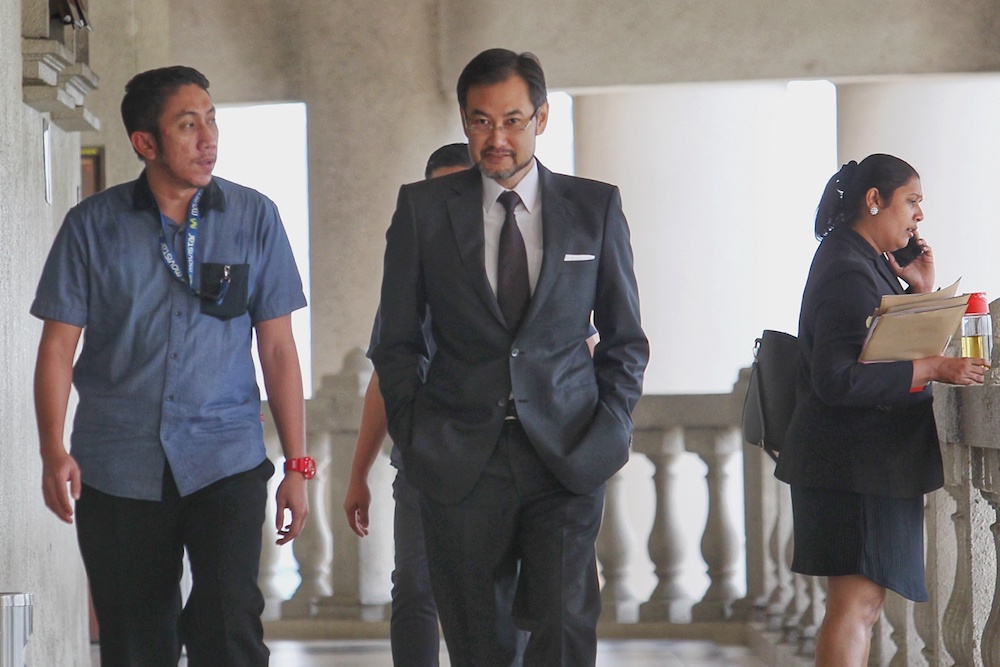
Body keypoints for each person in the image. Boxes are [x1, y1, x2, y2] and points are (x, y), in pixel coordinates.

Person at [373, 48, 649, 667]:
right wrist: (416, 435)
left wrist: (609, 429)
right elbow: (395, 341)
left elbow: (625, 338)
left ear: (542, 118)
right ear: (465, 121)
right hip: (458, 459)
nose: (495, 138)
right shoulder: (421, 211)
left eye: (513, 120)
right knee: (479, 643)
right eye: (480, 121)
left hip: (567, 455)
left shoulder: (594, 207)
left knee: (563, 628)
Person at [32, 65, 311, 666]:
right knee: (137, 642)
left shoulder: (254, 217)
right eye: (189, 126)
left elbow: (280, 349)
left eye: (212, 120)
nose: (209, 138)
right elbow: (57, 347)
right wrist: (53, 450)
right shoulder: (92, 227)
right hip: (118, 464)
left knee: (230, 626)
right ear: (145, 143)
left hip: (226, 457)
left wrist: (298, 464)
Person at [774, 154, 987, 666]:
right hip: (856, 468)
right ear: (874, 200)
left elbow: (883, 347)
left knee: (859, 606)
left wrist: (920, 290)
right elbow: (838, 379)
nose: (919, 216)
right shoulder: (848, 268)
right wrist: (934, 368)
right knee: (855, 606)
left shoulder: (857, 260)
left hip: (861, 465)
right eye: (911, 201)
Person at [343, 142, 473, 667]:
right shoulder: (410, 275)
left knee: (501, 599)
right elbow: (385, 375)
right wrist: (358, 473)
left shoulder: (518, 260)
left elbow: (580, 346)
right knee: (416, 591)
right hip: (423, 460)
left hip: (505, 458)